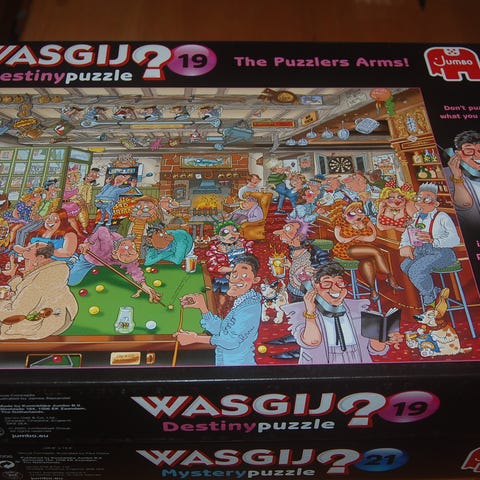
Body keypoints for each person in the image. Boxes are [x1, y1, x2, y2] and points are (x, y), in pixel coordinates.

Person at [282, 261, 403, 364]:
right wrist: (310, 313)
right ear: (315, 287)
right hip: (321, 365)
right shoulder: (301, 311)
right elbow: (312, 342)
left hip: (357, 362)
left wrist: (384, 337)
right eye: (327, 284)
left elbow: (376, 349)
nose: (335, 289)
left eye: (339, 283)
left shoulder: (358, 308)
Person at [174, 254, 262, 366]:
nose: (236, 280)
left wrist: (195, 338)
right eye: (234, 275)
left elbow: (231, 341)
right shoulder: (242, 301)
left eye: (244, 275)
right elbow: (222, 331)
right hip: (226, 362)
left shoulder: (249, 309)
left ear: (255, 280)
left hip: (238, 365)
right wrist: (203, 307)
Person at [0, 242, 78, 340]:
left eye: (28, 251)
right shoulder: (53, 268)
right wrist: (13, 276)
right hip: (61, 315)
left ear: (40, 257)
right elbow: (25, 290)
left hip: (44, 324)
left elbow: (16, 313)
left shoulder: (41, 281)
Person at [399, 183, 461, 306]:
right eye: (419, 198)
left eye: (427, 199)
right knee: (405, 266)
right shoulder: (416, 217)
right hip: (421, 251)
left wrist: (433, 240)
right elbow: (407, 233)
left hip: (442, 252)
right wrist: (404, 245)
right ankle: (435, 292)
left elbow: (455, 239)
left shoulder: (442, 217)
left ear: (436, 203)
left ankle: (431, 302)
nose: (421, 202)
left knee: (416, 271)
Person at [330, 200, 402, 301]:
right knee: (375, 251)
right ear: (344, 215)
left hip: (365, 250)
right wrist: (358, 236)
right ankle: (390, 276)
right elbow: (342, 240)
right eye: (352, 214)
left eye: (360, 211)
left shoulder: (366, 221)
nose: (358, 215)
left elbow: (372, 238)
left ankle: (372, 290)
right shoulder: (340, 224)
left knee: (367, 262)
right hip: (347, 250)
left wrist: (357, 235)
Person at [68, 226, 160, 303]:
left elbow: (134, 270)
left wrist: (143, 285)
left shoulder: (129, 257)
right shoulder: (107, 243)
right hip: (90, 256)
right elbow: (102, 229)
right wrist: (88, 243)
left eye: (132, 248)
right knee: (71, 281)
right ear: (115, 253)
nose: (130, 252)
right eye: (126, 254)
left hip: (105, 261)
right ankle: (74, 258)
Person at [445, 130, 480, 227]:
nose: (477, 156)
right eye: (469, 151)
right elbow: (466, 204)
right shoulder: (448, 173)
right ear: (457, 154)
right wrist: (457, 178)